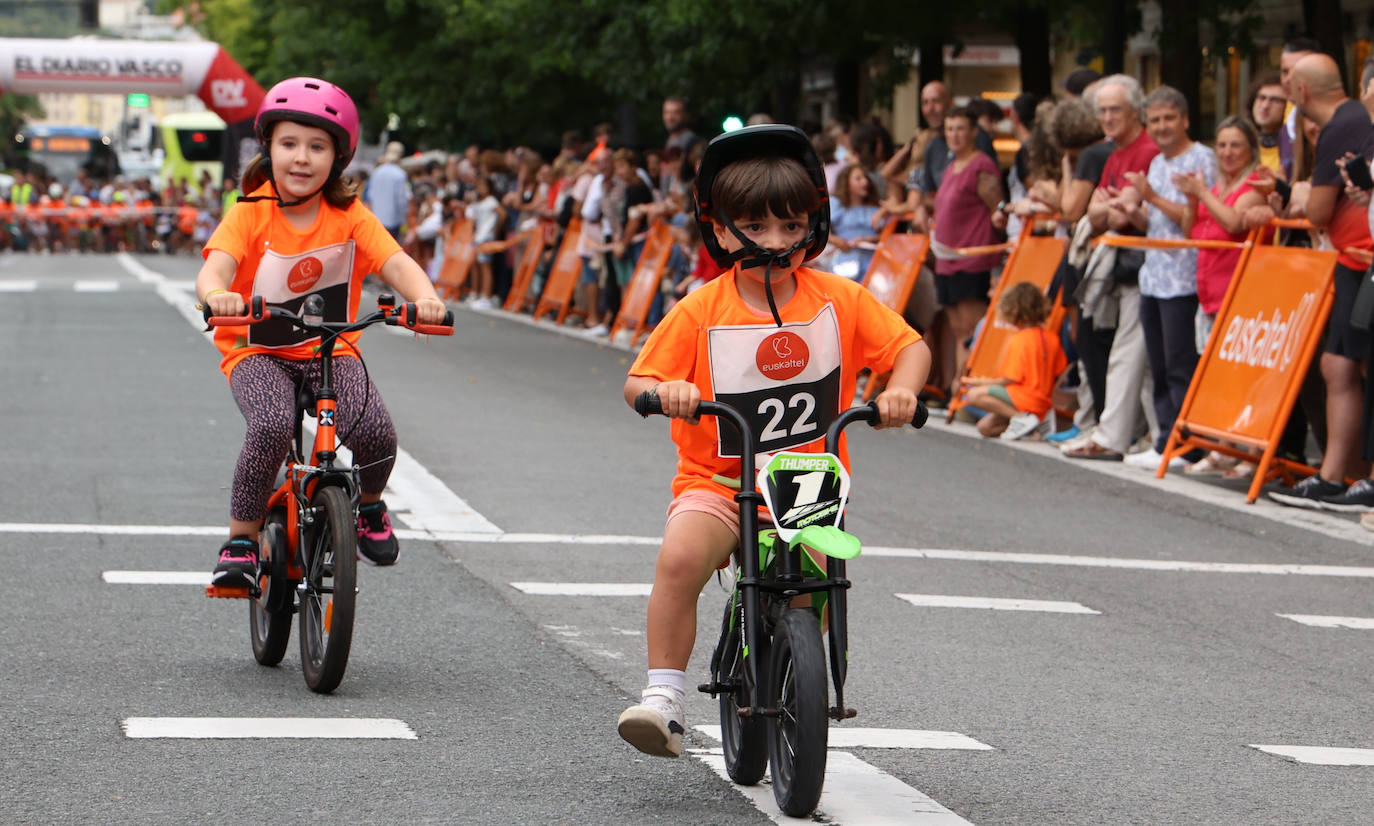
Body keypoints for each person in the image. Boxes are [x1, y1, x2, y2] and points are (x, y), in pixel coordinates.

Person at [616, 125, 931, 758]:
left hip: (805, 478)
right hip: (717, 481)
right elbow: (638, 380)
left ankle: (802, 670)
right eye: (756, 230)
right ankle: (664, 698)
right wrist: (665, 391)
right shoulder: (701, 308)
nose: (777, 244)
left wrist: (901, 392)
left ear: (814, 224)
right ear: (722, 230)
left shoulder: (838, 299)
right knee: (681, 559)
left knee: (814, 586)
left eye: (792, 228)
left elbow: (909, 347)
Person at [195, 77, 447, 588]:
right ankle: (241, 541)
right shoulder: (249, 212)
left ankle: (369, 508)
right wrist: (217, 294)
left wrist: (426, 299)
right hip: (258, 350)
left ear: (339, 157)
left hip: (332, 348)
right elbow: (214, 269)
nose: (302, 158)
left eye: (317, 147)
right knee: (270, 423)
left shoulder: (350, 215)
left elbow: (396, 263)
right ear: (268, 148)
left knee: (375, 430)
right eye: (289, 144)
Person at [1270, 52, 1374, 509]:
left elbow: (1317, 212)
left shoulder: (1342, 124)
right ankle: (1334, 475)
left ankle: (1350, 476)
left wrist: (1304, 196)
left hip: (1360, 258)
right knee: (1338, 366)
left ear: (1301, 91)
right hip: (1353, 261)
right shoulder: (1348, 122)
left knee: (1355, 366)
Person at [1064, 74, 1160, 462]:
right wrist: (1110, 208)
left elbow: (1120, 213)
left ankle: (1115, 435)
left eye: (1114, 109)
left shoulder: (1147, 150)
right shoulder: (1116, 153)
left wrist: (1110, 208)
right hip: (1124, 268)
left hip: (1145, 267)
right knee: (1142, 358)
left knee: (1131, 352)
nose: (1106, 117)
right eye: (1102, 110)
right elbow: (1095, 211)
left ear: (1135, 110)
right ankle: (1148, 435)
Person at [1121, 85, 1217, 471]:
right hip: (1153, 277)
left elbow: (1194, 222)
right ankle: (1165, 438)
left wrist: (1152, 196)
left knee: (1181, 364)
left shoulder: (1201, 159)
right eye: (1155, 120)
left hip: (1185, 279)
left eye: (1168, 118)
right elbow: (1155, 222)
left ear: (1185, 120)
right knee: (1158, 364)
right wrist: (1131, 207)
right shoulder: (1158, 163)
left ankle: (1188, 444)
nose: (1161, 127)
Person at [931, 106, 1005, 390]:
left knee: (972, 328)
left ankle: (970, 388)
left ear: (973, 131)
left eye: (960, 128)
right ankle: (959, 388)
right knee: (958, 328)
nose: (954, 135)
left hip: (972, 256)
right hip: (946, 257)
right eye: (950, 129)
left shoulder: (981, 165)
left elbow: (997, 208)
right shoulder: (951, 166)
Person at [959, 282, 1067, 440]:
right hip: (1042, 401)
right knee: (985, 428)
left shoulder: (1020, 340)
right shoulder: (1052, 338)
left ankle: (1023, 418)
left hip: (1024, 397)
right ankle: (1034, 423)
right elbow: (1061, 371)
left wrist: (979, 383)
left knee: (974, 395)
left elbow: (1008, 380)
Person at [828, 162, 882, 280]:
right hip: (845, 266)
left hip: (874, 266)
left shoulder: (876, 209)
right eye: (858, 178)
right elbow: (817, 229)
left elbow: (888, 236)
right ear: (846, 183)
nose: (865, 182)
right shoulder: (836, 204)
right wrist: (834, 240)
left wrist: (867, 240)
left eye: (865, 177)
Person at [466, 176, 504, 308]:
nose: (481, 189)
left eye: (484, 186)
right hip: (478, 237)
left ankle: (486, 296)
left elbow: (502, 214)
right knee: (476, 265)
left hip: (487, 237)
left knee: (485, 266)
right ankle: (475, 292)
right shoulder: (478, 202)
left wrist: (495, 230)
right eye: (479, 186)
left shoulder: (492, 201)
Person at [366, 140, 410, 239]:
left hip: (376, 221)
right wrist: (404, 222)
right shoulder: (400, 174)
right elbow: (401, 202)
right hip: (392, 223)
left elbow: (370, 196)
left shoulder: (376, 172)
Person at [1247, 74, 1289, 179]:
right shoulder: (1243, 144)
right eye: (1261, 98)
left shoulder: (1293, 149)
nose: (1265, 106)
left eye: (1275, 100)